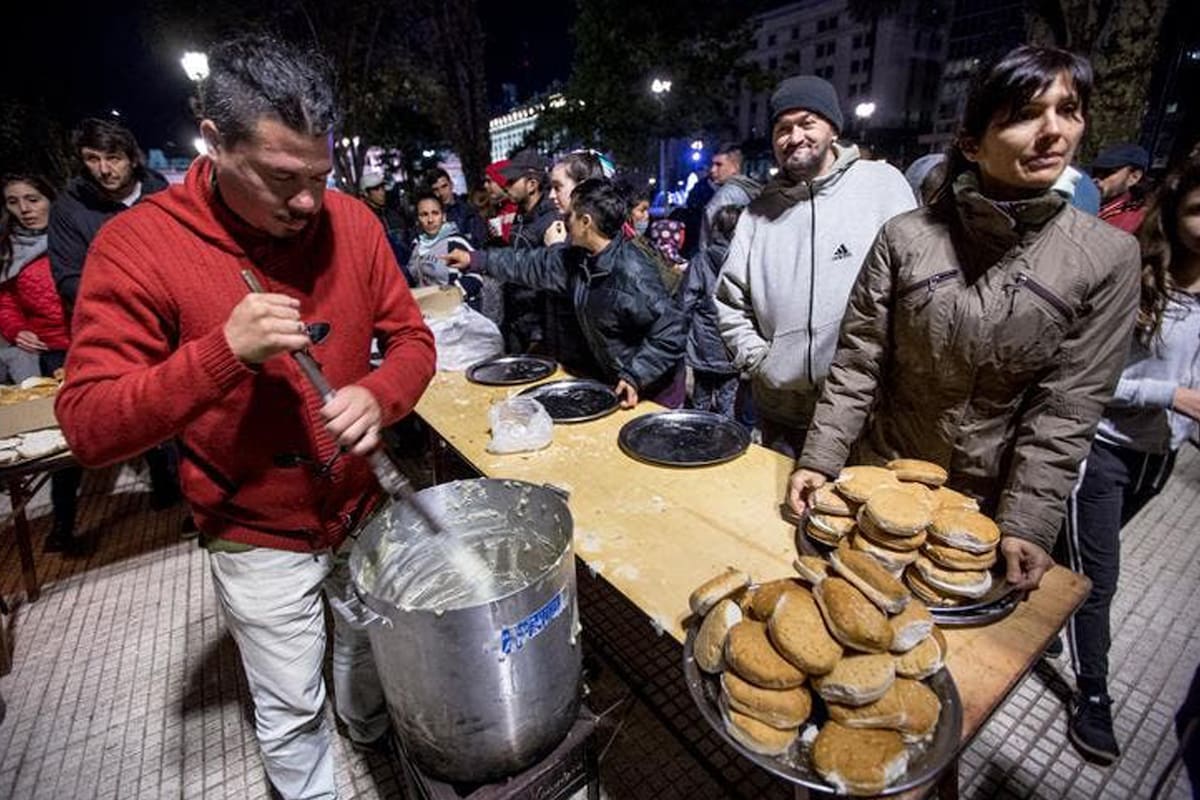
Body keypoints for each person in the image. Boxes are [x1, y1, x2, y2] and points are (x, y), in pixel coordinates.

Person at [54, 35, 436, 800]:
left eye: (320, 177)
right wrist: (222, 352)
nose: (306, 203)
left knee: (366, 651)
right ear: (214, 142)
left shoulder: (352, 223)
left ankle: (368, 730)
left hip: (360, 503)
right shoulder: (139, 245)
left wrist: (379, 393)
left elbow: (412, 339)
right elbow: (89, 425)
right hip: (254, 525)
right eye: (281, 178)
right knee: (292, 703)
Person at [788, 45, 1141, 597]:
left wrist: (1028, 521)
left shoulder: (1105, 257)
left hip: (988, 505)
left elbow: (1066, 407)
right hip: (882, 475)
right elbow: (858, 363)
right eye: (1025, 114)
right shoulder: (907, 237)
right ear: (972, 143)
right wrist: (821, 459)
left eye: (1068, 110)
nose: (1053, 132)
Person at [1061, 150, 1200, 765]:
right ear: (1173, 211)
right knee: (1100, 578)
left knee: (1078, 556)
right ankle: (1093, 695)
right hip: (1105, 449)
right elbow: (1090, 376)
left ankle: (1035, 614)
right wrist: (1172, 394)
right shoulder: (1136, 274)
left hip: (1157, 459)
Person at [715, 74, 916, 457]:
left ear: (833, 128)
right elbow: (729, 300)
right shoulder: (759, 211)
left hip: (866, 411)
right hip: (780, 411)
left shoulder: (882, 186)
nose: (794, 137)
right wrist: (760, 361)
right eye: (783, 128)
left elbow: (916, 289)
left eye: (807, 123)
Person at [445, 178, 685, 408]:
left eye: (570, 215)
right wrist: (476, 259)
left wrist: (636, 374)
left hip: (655, 391)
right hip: (622, 380)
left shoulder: (633, 274)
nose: (564, 219)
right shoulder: (578, 259)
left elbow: (672, 330)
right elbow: (529, 264)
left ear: (586, 222)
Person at [47, 116, 180, 511]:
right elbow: (68, 277)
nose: (104, 169)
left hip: (169, 323)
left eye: (113, 157)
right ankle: (63, 520)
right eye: (92, 158)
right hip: (113, 325)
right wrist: (128, 289)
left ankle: (174, 492)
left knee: (174, 403)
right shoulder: (70, 208)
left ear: (131, 157)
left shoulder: (160, 192)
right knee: (120, 410)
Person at [0, 175, 84, 552]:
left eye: (33, 199)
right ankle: (62, 528)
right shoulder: (8, 249)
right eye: (14, 201)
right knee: (65, 440)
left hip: (94, 341)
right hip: (54, 351)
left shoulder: (72, 235)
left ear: (52, 197)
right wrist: (16, 329)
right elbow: (5, 301)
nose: (24, 209)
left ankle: (165, 493)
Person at [683, 204, 743, 421]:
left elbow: (686, 302)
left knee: (700, 403)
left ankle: (699, 446)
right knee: (728, 404)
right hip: (733, 347)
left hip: (703, 347)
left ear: (715, 228)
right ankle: (727, 444)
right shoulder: (747, 261)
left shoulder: (701, 260)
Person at [496, 150, 560, 355]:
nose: (506, 186)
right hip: (517, 320)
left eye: (512, 181)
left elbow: (550, 282)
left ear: (532, 184)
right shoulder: (522, 216)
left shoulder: (551, 222)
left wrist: (538, 334)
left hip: (538, 330)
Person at [699, 144, 761, 250]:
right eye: (712, 164)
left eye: (719, 165)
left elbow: (710, 243)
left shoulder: (724, 197)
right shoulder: (751, 190)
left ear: (735, 167)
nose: (712, 170)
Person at [1093, 142, 1151, 233]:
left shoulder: (1132, 221)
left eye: (1107, 172)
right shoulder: (1093, 203)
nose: (1096, 179)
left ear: (1134, 177)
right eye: (1095, 171)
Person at [427, 167, 487, 246]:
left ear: (451, 185)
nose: (441, 193)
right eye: (436, 189)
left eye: (444, 186)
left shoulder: (468, 211)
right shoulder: (428, 216)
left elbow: (479, 241)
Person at [482, 159, 518, 244]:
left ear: (501, 180)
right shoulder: (496, 209)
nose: (485, 185)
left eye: (489, 181)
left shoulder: (522, 207)